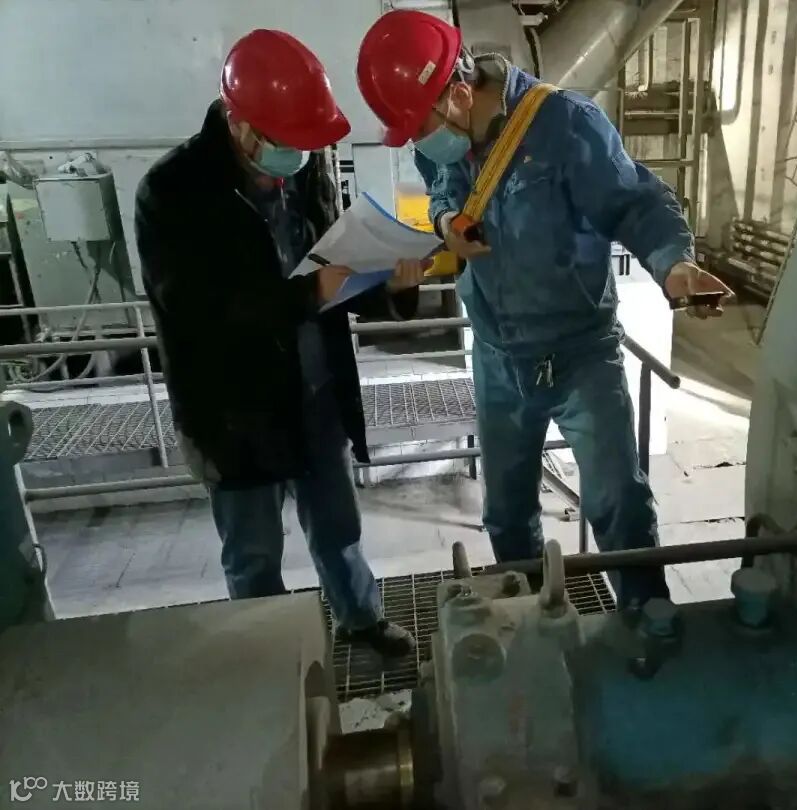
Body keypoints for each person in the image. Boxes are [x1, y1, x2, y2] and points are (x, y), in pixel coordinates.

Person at [356, 11, 733, 608]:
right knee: (506, 514)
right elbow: (441, 187)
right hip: (497, 356)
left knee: (619, 506)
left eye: (420, 127)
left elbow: (635, 203)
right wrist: (447, 220)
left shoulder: (567, 125)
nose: (420, 143)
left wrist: (674, 265)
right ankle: (529, 617)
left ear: (458, 93)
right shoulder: (444, 138)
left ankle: (646, 621)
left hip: (582, 355)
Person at [136, 29, 423, 655]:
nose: (301, 155)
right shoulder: (172, 192)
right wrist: (308, 294)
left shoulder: (306, 162)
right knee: (253, 551)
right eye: (289, 141)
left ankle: (361, 621)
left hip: (314, 391)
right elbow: (201, 312)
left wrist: (391, 287)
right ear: (240, 124)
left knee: (338, 528)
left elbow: (337, 258)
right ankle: (265, 655)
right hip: (232, 413)